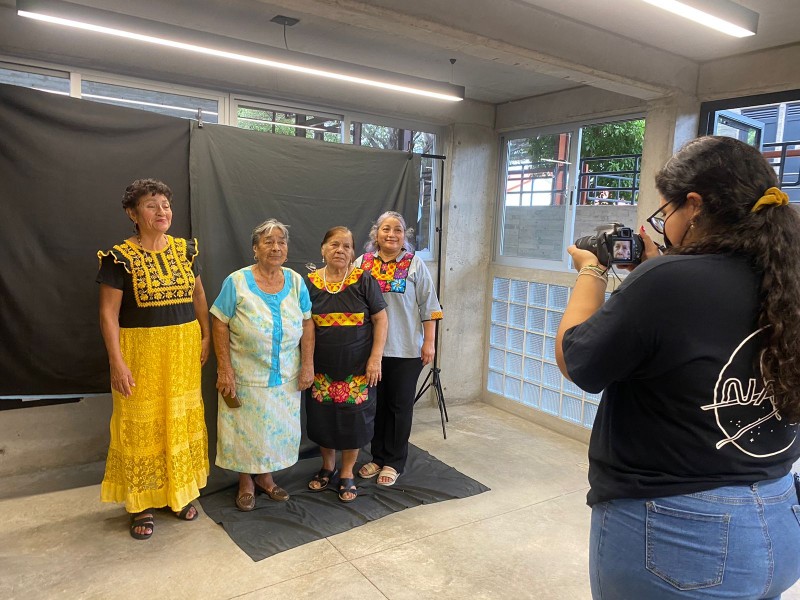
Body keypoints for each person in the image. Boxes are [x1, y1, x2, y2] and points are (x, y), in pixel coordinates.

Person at [555, 136, 800, 599]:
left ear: (693, 206)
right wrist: (656, 273)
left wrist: (591, 271)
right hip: (780, 514)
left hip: (680, 534)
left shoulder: (667, 281)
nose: (663, 224)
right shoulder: (788, 274)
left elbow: (577, 359)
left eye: (664, 211)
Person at [97, 178, 210, 540]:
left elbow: (198, 295)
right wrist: (116, 361)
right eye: (151, 205)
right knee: (141, 426)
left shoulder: (185, 250)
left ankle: (176, 494)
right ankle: (141, 502)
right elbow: (108, 315)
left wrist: (206, 335)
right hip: (140, 353)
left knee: (177, 420)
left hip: (181, 350)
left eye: (165, 204)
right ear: (133, 213)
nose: (162, 211)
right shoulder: (118, 257)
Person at [210, 219, 314, 511]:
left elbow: (308, 322)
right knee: (245, 429)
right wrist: (224, 369)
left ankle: (266, 478)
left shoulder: (295, 281)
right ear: (255, 249)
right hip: (245, 375)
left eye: (281, 241)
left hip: (285, 376)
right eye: (268, 242)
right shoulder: (237, 281)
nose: (276, 247)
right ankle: (246, 481)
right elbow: (219, 322)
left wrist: (308, 364)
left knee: (274, 430)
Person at [354, 211, 443, 486]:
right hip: (371, 351)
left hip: (406, 350)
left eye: (398, 230)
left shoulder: (415, 264)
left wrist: (429, 343)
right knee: (376, 406)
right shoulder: (362, 263)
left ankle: (394, 461)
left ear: (405, 235)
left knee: (400, 406)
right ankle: (378, 457)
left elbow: (431, 307)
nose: (391, 235)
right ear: (376, 234)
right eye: (386, 229)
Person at [304, 226, 388, 502]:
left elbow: (380, 319)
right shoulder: (310, 283)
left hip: (358, 369)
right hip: (321, 368)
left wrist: (375, 358)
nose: (340, 250)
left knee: (355, 421)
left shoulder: (364, 280)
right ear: (323, 249)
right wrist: (306, 364)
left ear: (353, 252)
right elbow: (306, 325)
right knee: (323, 418)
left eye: (347, 246)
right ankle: (327, 467)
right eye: (334, 245)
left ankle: (347, 473)